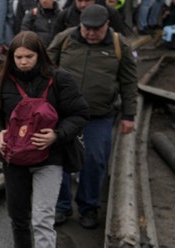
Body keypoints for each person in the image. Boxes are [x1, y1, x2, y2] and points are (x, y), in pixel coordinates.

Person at [0, 31, 89, 248]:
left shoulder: (59, 80)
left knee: (42, 216)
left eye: (29, 56)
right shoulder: (1, 83)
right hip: (14, 158)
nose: (23, 62)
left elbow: (79, 114)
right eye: (18, 57)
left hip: (48, 158)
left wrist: (57, 135)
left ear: (39, 55)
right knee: (17, 213)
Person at [47, 4, 138, 228]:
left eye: (96, 29)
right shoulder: (65, 39)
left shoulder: (119, 45)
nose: (91, 33)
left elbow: (129, 82)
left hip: (98, 116)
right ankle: (61, 205)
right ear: (80, 24)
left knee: (94, 161)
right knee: (58, 160)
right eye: (87, 28)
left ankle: (88, 206)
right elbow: (45, 68)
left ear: (107, 25)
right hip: (63, 115)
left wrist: (129, 115)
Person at [53, 0, 127, 37]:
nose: (83, 5)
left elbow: (121, 40)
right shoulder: (65, 15)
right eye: (80, 1)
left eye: (87, 0)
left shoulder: (111, 14)